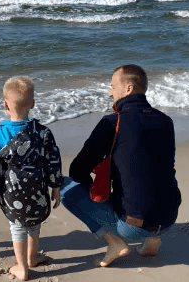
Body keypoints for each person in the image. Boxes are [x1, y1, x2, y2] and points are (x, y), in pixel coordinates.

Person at [60, 64, 181, 267]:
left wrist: (97, 189)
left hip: (134, 225)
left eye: (113, 86)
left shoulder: (112, 122)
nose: (110, 93)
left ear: (128, 89)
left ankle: (114, 241)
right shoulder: (165, 121)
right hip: (169, 217)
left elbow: (77, 170)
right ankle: (152, 237)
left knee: (65, 187)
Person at [0, 76, 63, 281]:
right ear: (32, 104)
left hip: (11, 191)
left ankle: (22, 266)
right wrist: (55, 186)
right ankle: (32, 258)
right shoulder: (42, 132)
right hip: (37, 188)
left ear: (5, 105)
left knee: (17, 226)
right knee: (34, 224)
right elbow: (52, 161)